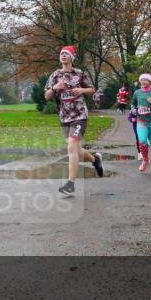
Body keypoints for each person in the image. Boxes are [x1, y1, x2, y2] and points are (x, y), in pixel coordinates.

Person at [44, 46, 104, 195]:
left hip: (79, 115)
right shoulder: (55, 75)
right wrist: (54, 88)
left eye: (66, 54)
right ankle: (95, 159)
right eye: (62, 54)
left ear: (72, 57)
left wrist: (82, 90)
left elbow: (91, 89)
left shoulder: (79, 73)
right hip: (64, 117)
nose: (63, 55)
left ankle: (70, 184)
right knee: (75, 148)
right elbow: (47, 96)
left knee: (72, 146)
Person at [130, 73, 151, 174]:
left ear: (150, 81)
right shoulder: (137, 92)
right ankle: (145, 160)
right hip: (141, 121)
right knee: (143, 141)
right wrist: (133, 110)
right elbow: (132, 103)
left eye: (145, 80)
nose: (143, 82)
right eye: (142, 80)